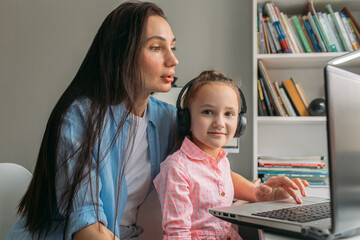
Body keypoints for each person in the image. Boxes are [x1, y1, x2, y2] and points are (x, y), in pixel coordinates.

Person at [6, 1, 178, 240]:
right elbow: (87, 228)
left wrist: (247, 194)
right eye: (157, 48)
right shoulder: (80, 118)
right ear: (122, 53)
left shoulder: (168, 119)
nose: (173, 60)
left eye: (172, 48)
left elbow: (206, 165)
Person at [153, 70, 310, 240]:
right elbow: (177, 235)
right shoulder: (177, 168)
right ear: (186, 120)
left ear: (240, 122)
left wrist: (270, 194)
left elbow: (243, 190)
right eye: (207, 111)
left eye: (229, 113)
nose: (219, 122)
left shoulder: (221, 163)